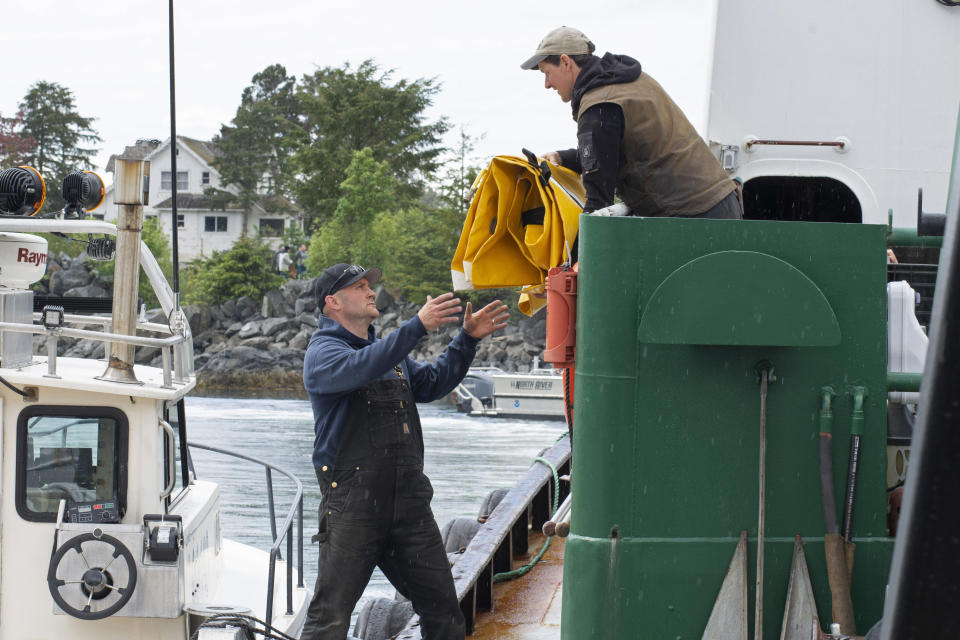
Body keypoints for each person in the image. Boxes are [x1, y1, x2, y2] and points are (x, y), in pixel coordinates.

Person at [300, 263, 509, 640]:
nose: (369, 292)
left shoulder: (389, 354)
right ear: (332, 302)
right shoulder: (323, 353)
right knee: (329, 618)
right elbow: (361, 366)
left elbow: (430, 384)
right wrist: (416, 327)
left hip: (409, 508)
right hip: (353, 510)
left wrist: (466, 339)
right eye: (360, 286)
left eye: (369, 285)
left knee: (444, 611)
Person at [521, 26, 742, 220]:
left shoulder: (598, 106)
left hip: (692, 215)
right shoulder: (624, 82)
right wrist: (564, 158)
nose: (547, 84)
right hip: (719, 205)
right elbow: (612, 154)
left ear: (565, 62)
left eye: (547, 73)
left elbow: (598, 205)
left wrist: (578, 259)